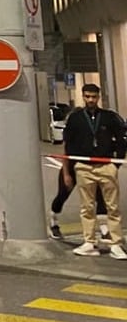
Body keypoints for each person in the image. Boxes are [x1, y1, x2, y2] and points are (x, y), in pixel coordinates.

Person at [62, 83, 126, 259]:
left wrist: (115, 164)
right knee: (86, 207)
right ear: (83, 97)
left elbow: (121, 139)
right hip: (84, 167)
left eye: (94, 97)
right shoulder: (75, 118)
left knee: (112, 207)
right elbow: (68, 144)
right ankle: (89, 242)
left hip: (106, 166)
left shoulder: (108, 117)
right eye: (87, 96)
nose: (91, 100)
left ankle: (116, 244)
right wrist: (69, 169)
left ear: (98, 98)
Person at [48, 166, 109, 241]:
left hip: (91, 170)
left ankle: (104, 229)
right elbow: (65, 156)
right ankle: (53, 221)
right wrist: (66, 174)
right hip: (72, 169)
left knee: (101, 196)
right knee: (63, 194)